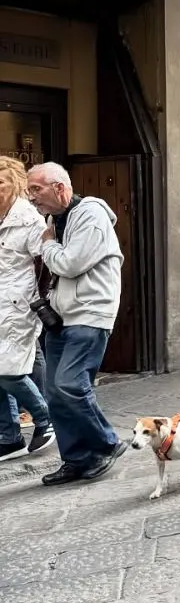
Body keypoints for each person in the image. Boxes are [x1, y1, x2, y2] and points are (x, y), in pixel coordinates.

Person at [26, 162, 126, 486]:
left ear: (59, 187)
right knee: (55, 392)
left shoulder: (91, 215)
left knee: (70, 383)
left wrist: (47, 244)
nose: (31, 197)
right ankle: (76, 458)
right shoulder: (54, 219)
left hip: (90, 312)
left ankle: (106, 443)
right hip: (61, 316)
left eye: (36, 189)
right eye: (29, 191)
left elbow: (70, 264)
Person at [0, 159, 55, 463]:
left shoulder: (28, 219)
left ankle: (46, 419)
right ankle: (9, 437)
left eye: (0, 182)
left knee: (9, 372)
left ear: (16, 184)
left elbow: (46, 259)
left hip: (18, 305)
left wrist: (38, 299)